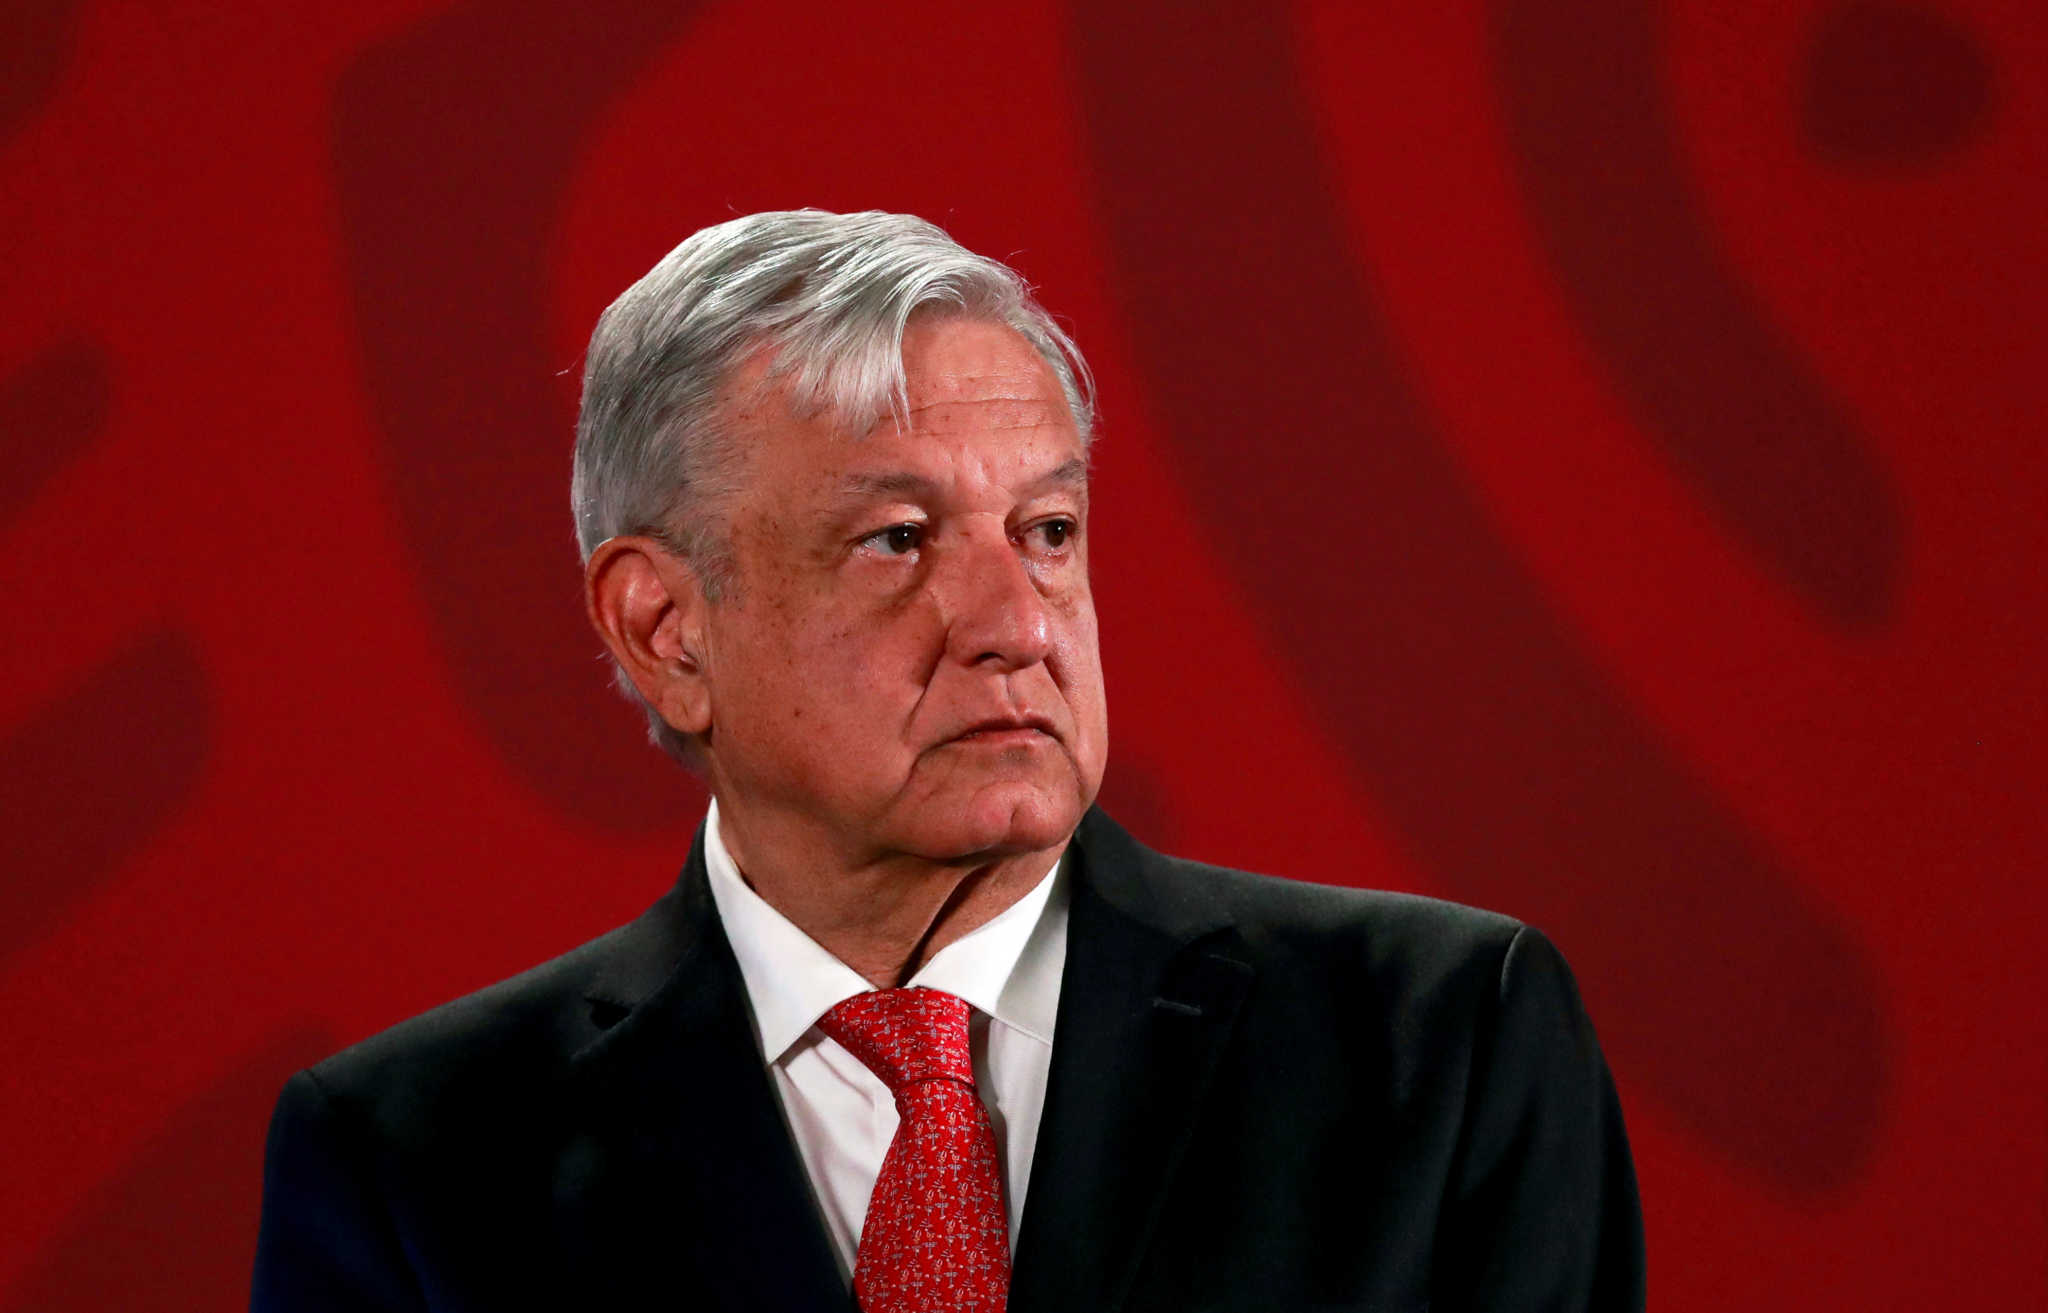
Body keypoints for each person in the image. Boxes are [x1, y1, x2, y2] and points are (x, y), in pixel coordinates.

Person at [251, 210, 1644, 1311]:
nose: (1019, 625)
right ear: (665, 626)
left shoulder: (1443, 1047)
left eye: (1046, 529)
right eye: (899, 540)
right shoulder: (412, 1164)